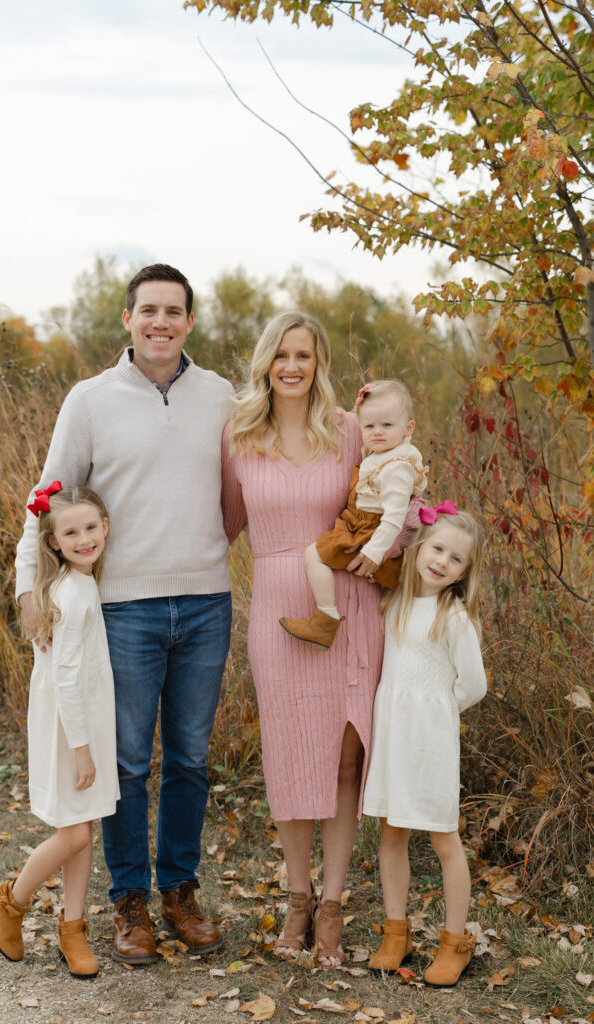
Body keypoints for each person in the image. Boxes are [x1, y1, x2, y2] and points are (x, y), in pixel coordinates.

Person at [15, 265, 235, 965]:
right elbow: (45, 499)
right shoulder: (90, 399)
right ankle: (129, 901)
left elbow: (246, 486)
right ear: (127, 318)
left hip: (205, 600)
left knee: (191, 761)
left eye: (174, 311)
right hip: (124, 609)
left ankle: (180, 891)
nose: (161, 322)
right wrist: (30, 589)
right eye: (149, 310)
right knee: (128, 762)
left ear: (190, 322)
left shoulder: (220, 395)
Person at [220, 312, 422, 967]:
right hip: (278, 609)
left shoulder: (346, 430)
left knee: (341, 760)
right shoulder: (239, 432)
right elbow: (221, 522)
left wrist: (406, 546)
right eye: (281, 354)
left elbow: (397, 494)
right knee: (288, 758)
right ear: (265, 361)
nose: (291, 366)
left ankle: (332, 905)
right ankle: (297, 897)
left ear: (319, 362)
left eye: (303, 354)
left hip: (348, 602)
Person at [0, 484, 118, 978]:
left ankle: (73, 928)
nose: (84, 538)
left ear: (105, 527)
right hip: (69, 729)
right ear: (54, 542)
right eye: (71, 532)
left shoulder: (81, 583)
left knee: (81, 829)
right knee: (76, 834)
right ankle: (10, 900)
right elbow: (65, 677)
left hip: (85, 723)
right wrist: (82, 749)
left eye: (90, 527)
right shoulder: (70, 592)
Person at [363, 503, 486, 987]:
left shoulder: (452, 617)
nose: (442, 562)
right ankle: (397, 931)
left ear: (464, 573)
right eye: (437, 548)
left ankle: (456, 941)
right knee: (391, 833)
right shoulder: (393, 601)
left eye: (456, 559)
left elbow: (472, 686)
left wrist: (433, 713)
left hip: (429, 743)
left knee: (442, 837)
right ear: (418, 547)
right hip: (393, 739)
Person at [280, 378, 427, 649]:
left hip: (369, 531)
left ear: (408, 429)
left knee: (313, 555)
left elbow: (393, 518)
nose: (377, 432)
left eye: (387, 425)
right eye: (369, 426)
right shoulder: (381, 454)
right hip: (360, 524)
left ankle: (325, 618)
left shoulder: (398, 467)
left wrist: (373, 552)